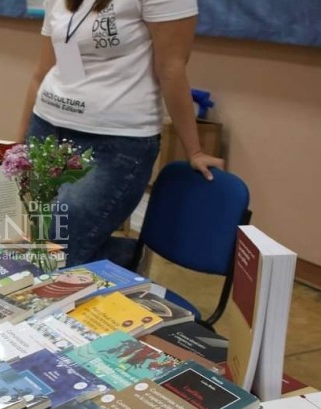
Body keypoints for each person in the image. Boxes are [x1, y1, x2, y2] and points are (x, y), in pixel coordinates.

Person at [17, 0, 225, 267]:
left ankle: (128, 261)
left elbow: (171, 69)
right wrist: (18, 142)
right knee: (43, 237)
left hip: (113, 141)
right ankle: (120, 266)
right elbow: (42, 70)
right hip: (47, 126)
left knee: (59, 246)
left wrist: (194, 151)